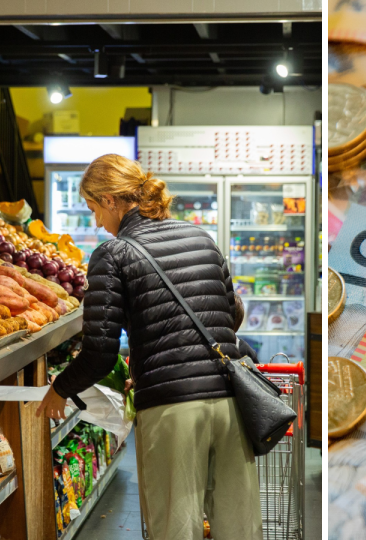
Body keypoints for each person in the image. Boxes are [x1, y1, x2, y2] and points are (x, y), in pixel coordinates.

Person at [36, 154, 262, 540]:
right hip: (233, 402)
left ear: (110, 200)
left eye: (94, 209)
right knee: (240, 529)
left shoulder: (113, 254)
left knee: (175, 527)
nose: (97, 222)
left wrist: (60, 389)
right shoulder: (200, 237)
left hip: (171, 409)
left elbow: (100, 352)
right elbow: (231, 313)